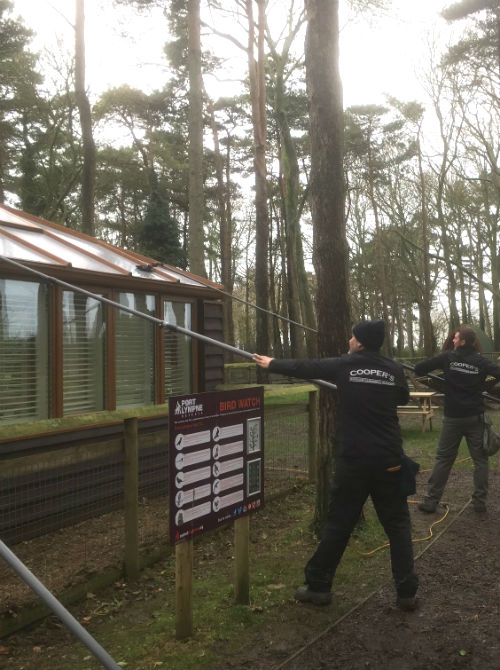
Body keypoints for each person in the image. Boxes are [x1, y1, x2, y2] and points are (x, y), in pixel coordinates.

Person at [253, 319, 419, 611]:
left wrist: (273, 363)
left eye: (353, 337)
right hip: (389, 460)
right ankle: (406, 593)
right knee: (398, 526)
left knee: (339, 524)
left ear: (361, 342)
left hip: (354, 461)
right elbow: (403, 396)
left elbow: (307, 368)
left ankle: (318, 586)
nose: (349, 341)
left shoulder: (346, 365)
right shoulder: (393, 369)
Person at [415, 326, 500, 514]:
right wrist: (481, 383)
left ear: (462, 341)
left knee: (443, 459)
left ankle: (431, 501)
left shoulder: (447, 357)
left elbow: (419, 368)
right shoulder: (481, 362)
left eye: (455, 338)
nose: (452, 340)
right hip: (475, 417)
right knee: (481, 460)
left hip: (453, 418)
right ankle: (479, 503)